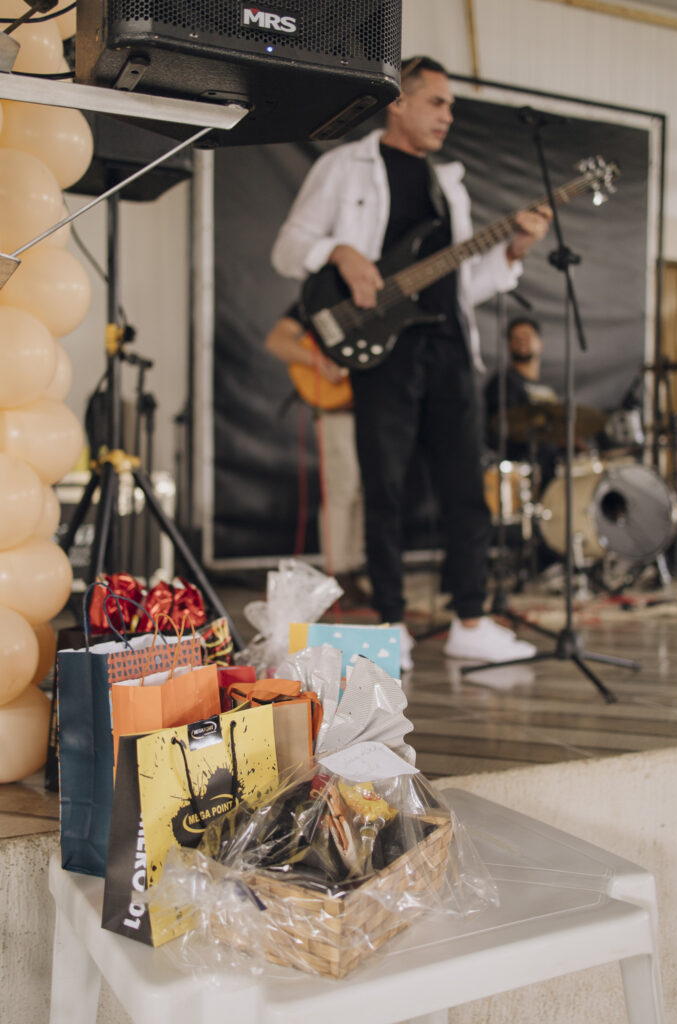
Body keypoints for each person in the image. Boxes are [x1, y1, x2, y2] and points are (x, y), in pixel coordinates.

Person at [271, 56, 551, 669]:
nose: (448, 116)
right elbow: (289, 249)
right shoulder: (343, 167)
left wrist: (516, 250)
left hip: (450, 346)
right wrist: (340, 252)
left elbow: (464, 284)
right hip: (386, 350)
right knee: (385, 490)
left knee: (465, 489)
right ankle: (391, 623)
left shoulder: (448, 182)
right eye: (437, 102)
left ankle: (470, 620)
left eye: (450, 106)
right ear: (398, 101)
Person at [264, 310, 369, 608]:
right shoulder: (319, 299)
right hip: (338, 410)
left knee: (363, 492)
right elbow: (276, 342)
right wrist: (319, 362)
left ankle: (354, 570)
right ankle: (339, 575)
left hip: (371, 410)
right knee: (342, 488)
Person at [484, 316, 560, 488]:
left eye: (526, 336)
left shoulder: (544, 389)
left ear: (540, 342)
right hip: (520, 473)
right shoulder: (503, 383)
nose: (521, 342)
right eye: (515, 338)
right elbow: (503, 429)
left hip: (550, 466)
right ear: (508, 345)